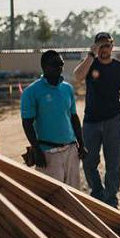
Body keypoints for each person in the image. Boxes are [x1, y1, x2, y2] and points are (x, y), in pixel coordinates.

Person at [73, 32, 120, 207]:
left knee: (113, 164)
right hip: (91, 122)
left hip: (114, 121)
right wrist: (90, 56)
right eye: (100, 45)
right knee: (88, 162)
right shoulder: (90, 64)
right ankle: (98, 194)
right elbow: (77, 77)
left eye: (107, 45)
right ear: (95, 47)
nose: (104, 49)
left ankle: (111, 199)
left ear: (112, 46)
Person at [21, 50, 87, 187]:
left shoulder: (67, 89)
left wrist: (81, 144)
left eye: (61, 64)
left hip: (71, 150)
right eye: (55, 64)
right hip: (48, 154)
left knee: (74, 195)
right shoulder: (31, 92)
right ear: (44, 67)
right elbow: (27, 123)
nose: (59, 67)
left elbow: (74, 117)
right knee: (52, 197)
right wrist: (37, 150)